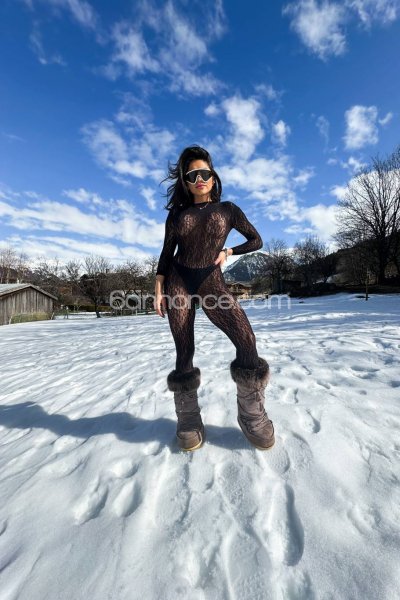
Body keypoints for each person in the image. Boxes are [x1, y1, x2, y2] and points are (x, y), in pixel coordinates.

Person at [154, 145, 274, 452]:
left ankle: (251, 415)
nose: (199, 179)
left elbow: (256, 240)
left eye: (204, 173)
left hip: (211, 280)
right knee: (184, 349)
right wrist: (158, 288)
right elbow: (166, 253)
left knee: (246, 340)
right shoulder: (177, 214)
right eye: (192, 175)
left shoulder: (228, 210)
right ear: (185, 181)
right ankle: (188, 419)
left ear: (213, 175)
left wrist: (229, 251)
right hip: (179, 281)